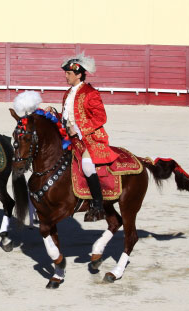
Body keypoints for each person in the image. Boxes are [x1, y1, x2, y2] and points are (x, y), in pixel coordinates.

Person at [47, 52, 118, 222]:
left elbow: (101, 118)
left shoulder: (90, 92)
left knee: (86, 165)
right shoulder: (67, 93)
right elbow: (66, 119)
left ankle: (98, 205)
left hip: (90, 139)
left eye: (68, 73)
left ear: (78, 74)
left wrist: (78, 129)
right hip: (70, 138)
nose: (66, 76)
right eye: (66, 73)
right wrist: (54, 114)